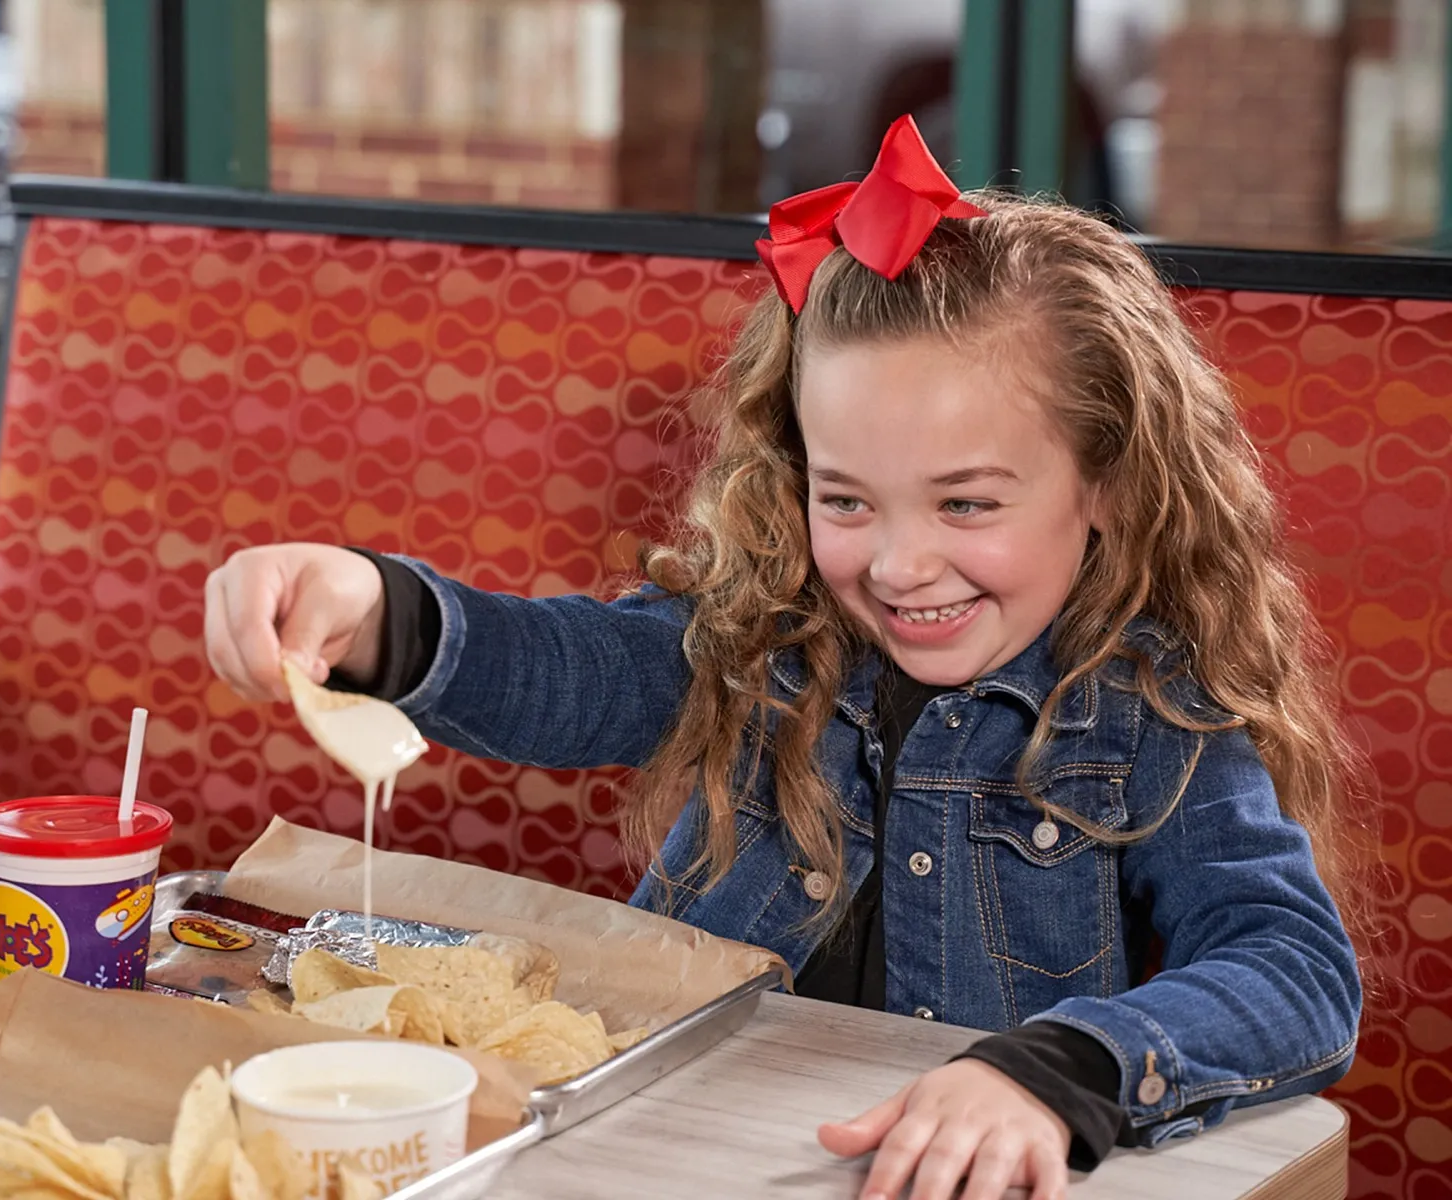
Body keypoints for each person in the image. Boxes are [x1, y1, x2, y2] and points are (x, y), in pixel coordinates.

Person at [204, 117, 1367, 1200]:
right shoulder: (760, 640)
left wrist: (1056, 1074)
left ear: (1105, 485)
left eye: (965, 504)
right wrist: (373, 609)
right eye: (847, 499)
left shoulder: (1147, 708)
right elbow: (566, 671)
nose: (902, 565)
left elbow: (1293, 971)